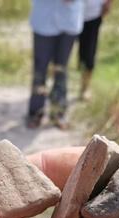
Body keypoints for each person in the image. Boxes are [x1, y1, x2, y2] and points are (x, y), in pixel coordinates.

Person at [26, 0, 84, 129]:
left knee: (61, 69)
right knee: (40, 70)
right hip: (43, 20)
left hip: (69, 20)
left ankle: (58, 113)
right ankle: (35, 112)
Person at [78, 0, 113, 100]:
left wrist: (109, 2)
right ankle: (57, 88)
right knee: (60, 53)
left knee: (89, 52)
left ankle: (85, 88)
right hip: (66, 12)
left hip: (93, 13)